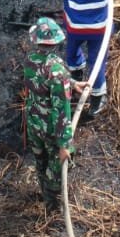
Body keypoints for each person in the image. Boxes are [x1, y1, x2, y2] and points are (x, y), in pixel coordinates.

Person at [48, 0, 120, 121]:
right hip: (101, 28)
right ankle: (97, 100)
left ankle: (76, 77)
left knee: (72, 52)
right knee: (97, 62)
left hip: (75, 25)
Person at [21, 18, 77, 211]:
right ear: (56, 41)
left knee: (40, 160)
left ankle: (45, 196)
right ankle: (52, 205)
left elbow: (42, 82)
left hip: (33, 122)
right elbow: (62, 111)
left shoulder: (30, 59)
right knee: (57, 166)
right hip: (51, 129)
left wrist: (74, 84)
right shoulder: (56, 69)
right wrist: (65, 145)